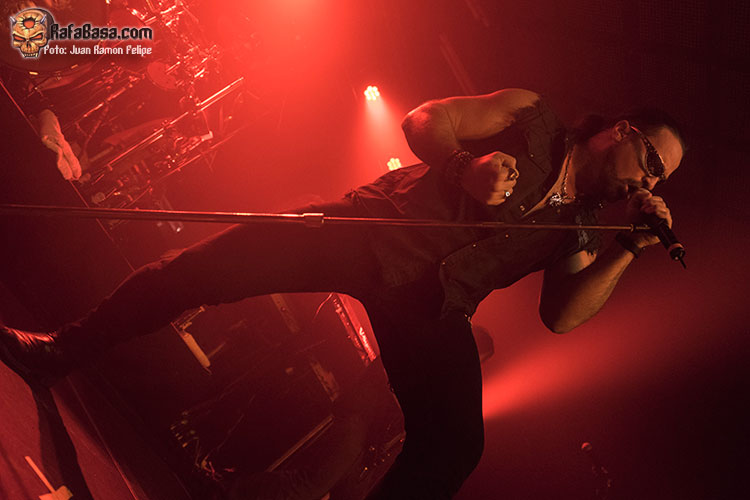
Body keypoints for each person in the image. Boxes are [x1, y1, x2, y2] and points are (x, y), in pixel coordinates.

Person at [0, 88, 685, 499]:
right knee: (201, 270)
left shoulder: (581, 229)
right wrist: (462, 166)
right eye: (652, 163)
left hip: (432, 306)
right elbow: (425, 118)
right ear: (621, 133)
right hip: (373, 233)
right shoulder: (531, 116)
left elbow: (563, 315)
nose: (649, 184)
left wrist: (629, 248)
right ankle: (59, 351)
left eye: (660, 180)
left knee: (455, 446)